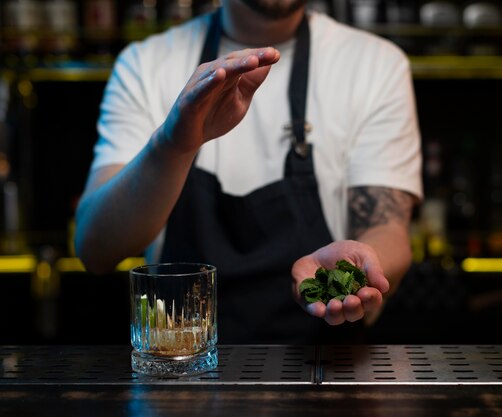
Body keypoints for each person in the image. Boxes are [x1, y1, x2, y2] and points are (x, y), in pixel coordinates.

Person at [74, 0, 423, 344]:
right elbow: (96, 249)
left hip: (324, 371)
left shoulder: (375, 65)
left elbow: (387, 227)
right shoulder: (145, 65)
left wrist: (359, 268)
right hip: (178, 367)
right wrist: (172, 144)